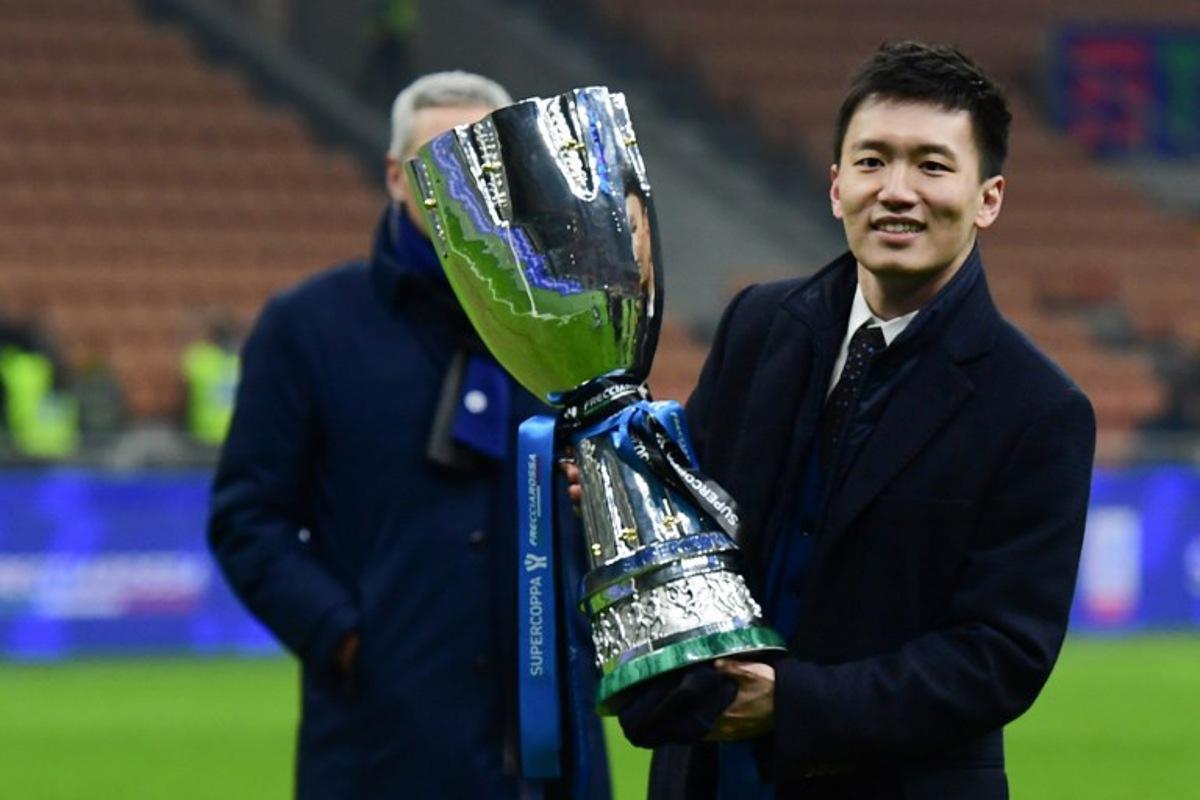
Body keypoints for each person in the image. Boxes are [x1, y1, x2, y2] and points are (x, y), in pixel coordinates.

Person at [613, 42, 1097, 799]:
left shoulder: (1038, 408)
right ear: (837, 185)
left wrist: (793, 705)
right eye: (872, 162)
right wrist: (624, 498)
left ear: (988, 197)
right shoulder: (757, 324)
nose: (897, 191)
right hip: (705, 779)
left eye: (932, 166)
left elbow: (998, 658)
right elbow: (697, 532)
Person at [208, 71, 609, 800]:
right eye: (439, 163)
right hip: (379, 749)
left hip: (552, 745)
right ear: (395, 177)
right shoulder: (308, 328)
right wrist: (346, 638)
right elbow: (246, 519)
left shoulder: (575, 325)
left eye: (488, 160)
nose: (466, 185)